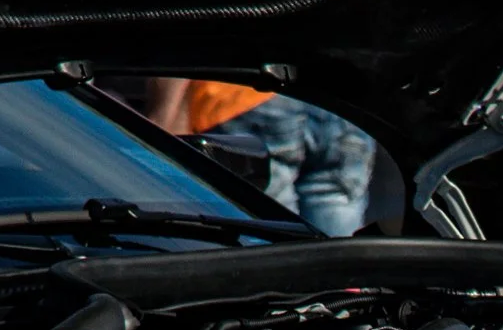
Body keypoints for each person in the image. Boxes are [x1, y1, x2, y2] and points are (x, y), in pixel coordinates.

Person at [145, 79, 376, 237]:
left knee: (270, 234)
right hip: (342, 99)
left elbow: (183, 33)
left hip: (248, 94)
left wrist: (163, 118)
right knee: (338, 241)